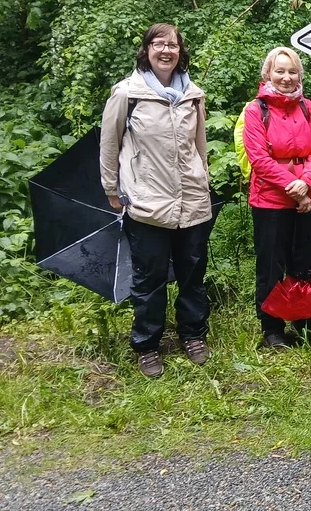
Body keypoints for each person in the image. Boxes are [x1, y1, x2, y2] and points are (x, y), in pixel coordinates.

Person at [100, 23, 213, 378]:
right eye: (158, 44)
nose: (166, 50)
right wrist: (111, 190)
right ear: (146, 49)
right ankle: (147, 345)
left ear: (181, 51)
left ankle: (193, 335)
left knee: (193, 273)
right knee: (149, 278)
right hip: (147, 202)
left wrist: (204, 182)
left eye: (173, 45)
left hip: (192, 199)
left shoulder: (193, 94)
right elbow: (109, 145)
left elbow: (199, 145)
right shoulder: (126, 94)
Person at [242, 46, 311, 349]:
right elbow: (259, 159)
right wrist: (294, 186)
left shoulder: (308, 108)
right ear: (268, 74)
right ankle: (272, 329)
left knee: (304, 261)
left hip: (307, 196)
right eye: (280, 71)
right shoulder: (256, 111)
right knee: (271, 265)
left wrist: (306, 183)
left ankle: (304, 320)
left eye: (292, 71)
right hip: (270, 201)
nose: (286, 77)